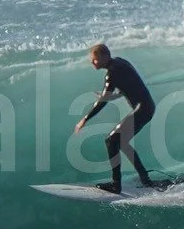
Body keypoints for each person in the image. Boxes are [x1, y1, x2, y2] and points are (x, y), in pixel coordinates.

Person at [73, 43, 172, 195]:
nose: (92, 63)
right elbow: (130, 84)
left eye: (95, 59)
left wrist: (84, 119)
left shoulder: (111, 73)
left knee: (111, 140)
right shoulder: (120, 62)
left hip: (142, 109)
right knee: (122, 142)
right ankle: (145, 179)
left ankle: (116, 185)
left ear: (104, 57)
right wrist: (113, 95)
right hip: (147, 107)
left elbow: (102, 102)